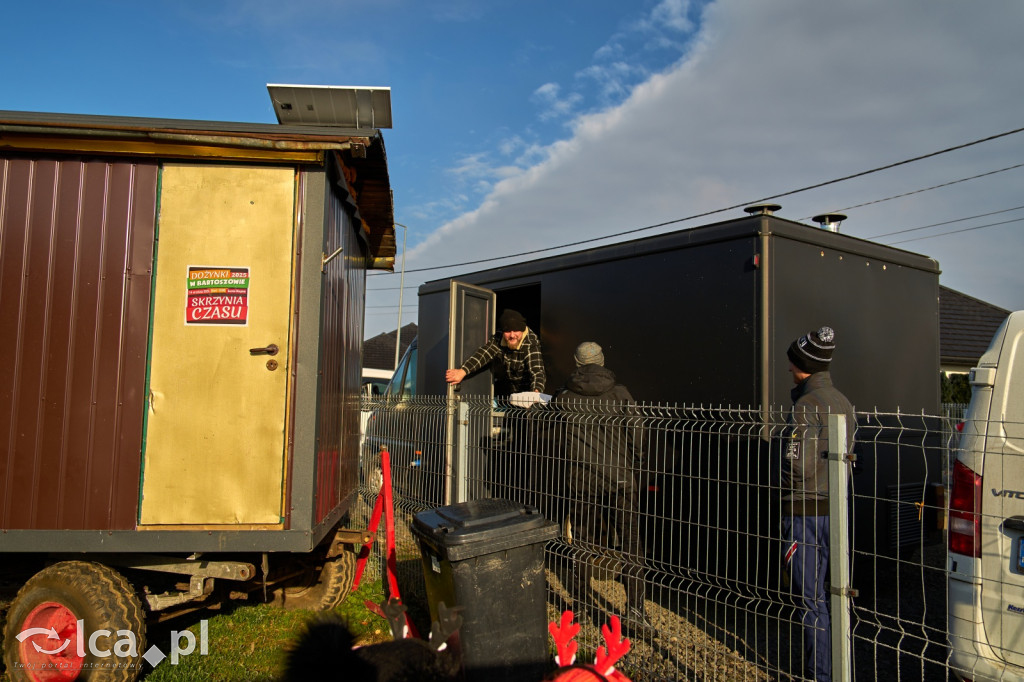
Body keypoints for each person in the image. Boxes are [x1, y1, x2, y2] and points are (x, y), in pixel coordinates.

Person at [552, 342, 650, 631]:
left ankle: (582, 608)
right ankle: (636, 611)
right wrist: (635, 461)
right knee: (631, 543)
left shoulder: (565, 397)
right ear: (603, 361)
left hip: (582, 479)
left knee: (581, 542)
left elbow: (551, 430)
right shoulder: (620, 393)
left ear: (576, 363)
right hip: (620, 479)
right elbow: (638, 433)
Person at [781, 326, 855, 682]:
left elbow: (799, 464)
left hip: (806, 513)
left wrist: (783, 482)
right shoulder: (842, 401)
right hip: (836, 511)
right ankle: (836, 666)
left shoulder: (806, 405)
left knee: (810, 599)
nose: (788, 369)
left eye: (792, 362)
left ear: (802, 365)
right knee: (835, 595)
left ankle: (819, 674)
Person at [445, 309, 546, 397]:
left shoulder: (530, 343)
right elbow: (484, 353)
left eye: (515, 330)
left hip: (526, 393)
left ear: (522, 330)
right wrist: (462, 371)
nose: (512, 335)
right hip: (507, 391)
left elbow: (537, 371)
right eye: (507, 331)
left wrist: (535, 394)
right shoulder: (498, 338)